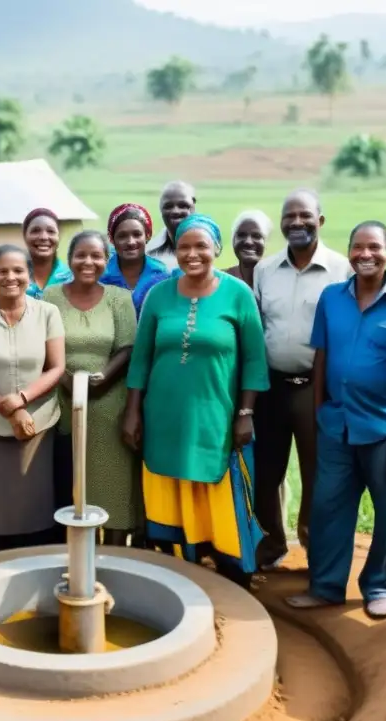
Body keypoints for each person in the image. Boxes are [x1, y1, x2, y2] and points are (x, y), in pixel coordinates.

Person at [285, 222, 386, 619]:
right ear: (348, 252)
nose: (365, 255)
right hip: (336, 424)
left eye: (374, 248)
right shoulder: (332, 298)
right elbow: (321, 357)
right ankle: (326, 587)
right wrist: (319, 412)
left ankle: (380, 588)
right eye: (357, 248)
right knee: (328, 509)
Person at [123, 214, 268, 583]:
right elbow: (140, 359)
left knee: (217, 486)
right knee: (171, 485)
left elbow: (254, 359)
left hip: (216, 416)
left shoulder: (238, 294)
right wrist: (133, 411)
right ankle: (181, 569)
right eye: (184, 247)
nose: (192, 254)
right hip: (163, 417)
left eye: (201, 246)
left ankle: (230, 570)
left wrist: (246, 412)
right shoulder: (159, 295)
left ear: (216, 249)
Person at [252, 189, 352, 570]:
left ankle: (315, 546)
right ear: (280, 224)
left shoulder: (342, 269)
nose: (296, 222)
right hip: (272, 388)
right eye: (289, 216)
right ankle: (271, 544)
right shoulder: (265, 271)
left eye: (305, 216)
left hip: (317, 389)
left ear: (320, 221)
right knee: (266, 471)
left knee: (318, 472)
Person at [0, 245, 66, 555]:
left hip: (38, 424)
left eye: (18, 270)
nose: (10, 277)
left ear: (29, 275)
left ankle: (32, 564)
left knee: (33, 506)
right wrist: (4, 408)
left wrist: (21, 400)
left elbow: (56, 367)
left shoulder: (48, 313)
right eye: (2, 271)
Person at [44, 231, 139, 546]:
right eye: (80, 255)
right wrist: (67, 380)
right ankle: (76, 554)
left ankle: (113, 555)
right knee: (70, 482)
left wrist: (101, 378)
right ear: (69, 259)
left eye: (96, 255)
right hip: (63, 401)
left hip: (110, 403)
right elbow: (44, 347)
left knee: (113, 483)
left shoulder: (118, 298)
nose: (88, 262)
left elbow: (127, 347)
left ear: (106, 259)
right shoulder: (51, 297)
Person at [100, 203, 171, 317]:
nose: (130, 242)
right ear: (112, 239)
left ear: (148, 236)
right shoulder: (101, 274)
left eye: (137, 234)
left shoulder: (161, 275)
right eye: (122, 236)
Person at [21, 208, 72, 299]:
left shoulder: (70, 278)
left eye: (51, 231)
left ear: (59, 237)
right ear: (25, 236)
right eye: (35, 231)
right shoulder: (11, 277)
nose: (44, 237)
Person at [146, 181, 196, 272]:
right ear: (160, 209)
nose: (176, 211)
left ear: (193, 206)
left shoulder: (209, 244)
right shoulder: (148, 253)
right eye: (168, 206)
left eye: (183, 205)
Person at [227, 210, 273, 286]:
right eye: (241, 235)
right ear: (233, 240)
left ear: (266, 242)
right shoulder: (220, 282)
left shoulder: (280, 281)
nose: (248, 242)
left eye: (257, 236)